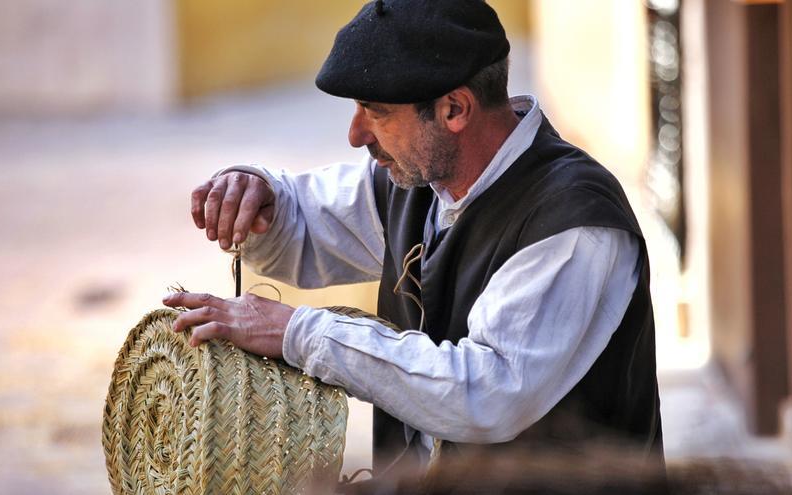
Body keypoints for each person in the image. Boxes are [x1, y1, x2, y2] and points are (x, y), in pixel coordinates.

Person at [163, 0, 663, 486]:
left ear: (454, 109)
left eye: (375, 112)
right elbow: (304, 228)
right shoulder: (419, 179)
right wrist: (258, 194)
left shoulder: (573, 221)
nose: (356, 134)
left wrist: (298, 334)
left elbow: (487, 392)